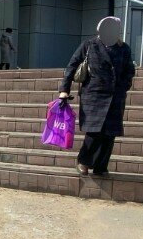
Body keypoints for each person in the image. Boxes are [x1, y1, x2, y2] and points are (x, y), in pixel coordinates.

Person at [58, 16, 135, 177]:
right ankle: (83, 161)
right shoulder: (89, 45)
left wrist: (123, 87)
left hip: (115, 96)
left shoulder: (124, 48)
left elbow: (129, 71)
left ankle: (101, 166)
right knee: (94, 131)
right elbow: (72, 66)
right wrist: (64, 90)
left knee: (110, 133)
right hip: (93, 95)